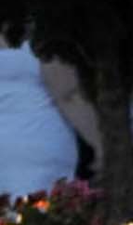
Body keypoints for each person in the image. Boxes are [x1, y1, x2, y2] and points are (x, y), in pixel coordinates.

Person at [0, 33, 101, 198]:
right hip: (36, 143)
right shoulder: (39, 35)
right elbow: (69, 96)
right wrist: (101, 145)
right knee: (41, 216)